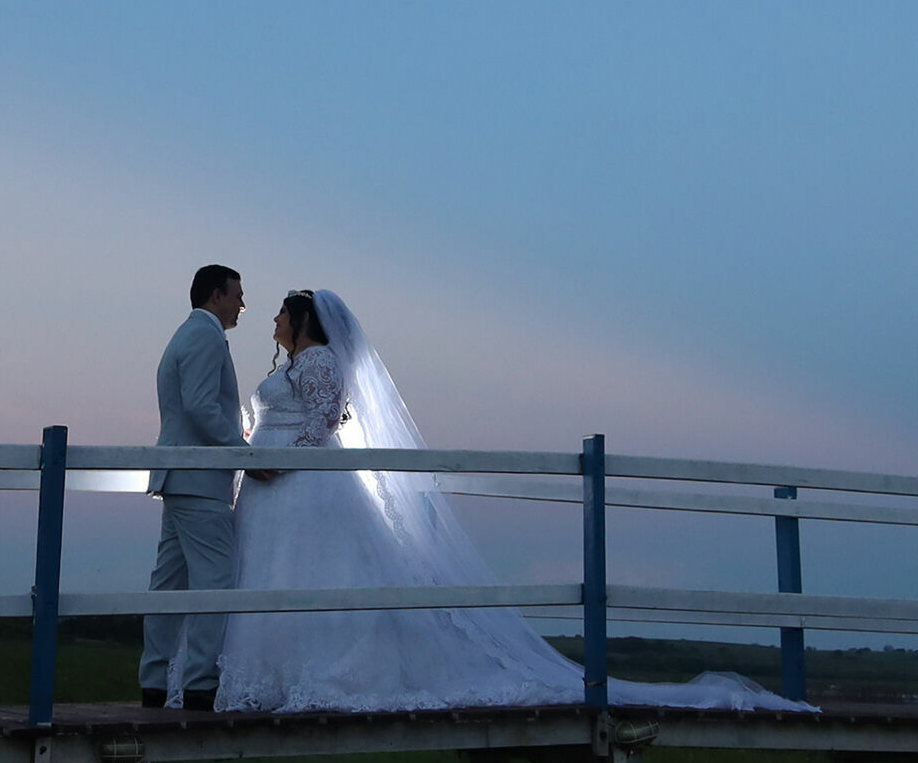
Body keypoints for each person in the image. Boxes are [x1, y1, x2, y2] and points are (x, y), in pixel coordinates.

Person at [214, 288, 812, 714]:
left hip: (299, 485)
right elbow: (278, 415)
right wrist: (249, 444)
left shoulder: (318, 361)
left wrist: (276, 461)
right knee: (275, 577)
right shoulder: (297, 363)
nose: (272, 322)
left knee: (307, 575)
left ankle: (313, 677)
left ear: (303, 322)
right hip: (271, 488)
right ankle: (269, 678)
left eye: (280, 315)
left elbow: (321, 422)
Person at [138, 264, 245, 712]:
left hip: (178, 474)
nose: (242, 304)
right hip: (199, 480)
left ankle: (155, 680)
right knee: (214, 580)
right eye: (237, 294)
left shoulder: (182, 335)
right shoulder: (205, 336)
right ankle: (201, 683)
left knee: (169, 583)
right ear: (216, 295)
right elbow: (201, 407)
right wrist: (241, 452)